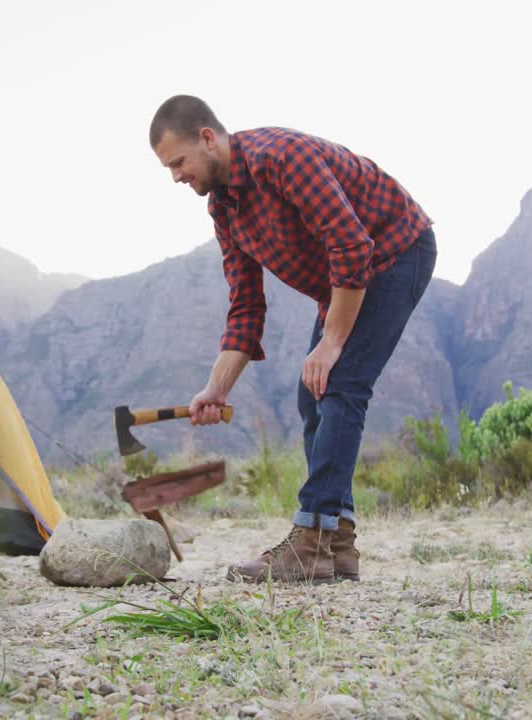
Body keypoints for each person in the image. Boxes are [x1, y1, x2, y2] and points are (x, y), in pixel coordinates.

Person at [149, 95, 438, 584]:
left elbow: (352, 245)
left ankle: (313, 540)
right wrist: (216, 389)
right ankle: (337, 542)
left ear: (207, 138)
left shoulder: (283, 158)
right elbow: (246, 308)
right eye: (168, 168)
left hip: (394, 251)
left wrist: (332, 342)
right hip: (343, 278)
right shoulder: (224, 209)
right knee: (312, 395)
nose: (176, 176)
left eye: (178, 162)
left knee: (341, 382)